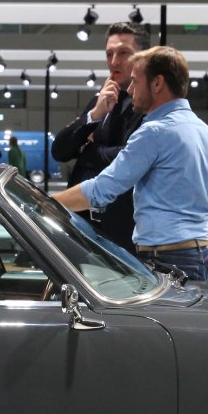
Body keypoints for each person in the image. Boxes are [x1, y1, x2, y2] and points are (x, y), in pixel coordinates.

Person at [53, 46, 208, 282]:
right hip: (199, 259)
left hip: (165, 261)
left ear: (157, 84)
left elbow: (102, 189)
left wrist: (43, 203)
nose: (130, 90)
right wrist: (195, 250)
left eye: (135, 81)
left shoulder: (155, 132)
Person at [50, 22, 144, 252]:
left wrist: (89, 151)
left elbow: (129, 158)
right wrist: (95, 114)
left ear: (142, 57)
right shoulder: (100, 101)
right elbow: (60, 151)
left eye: (123, 53)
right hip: (83, 226)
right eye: (109, 54)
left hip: (121, 230)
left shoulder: (146, 106)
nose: (114, 62)